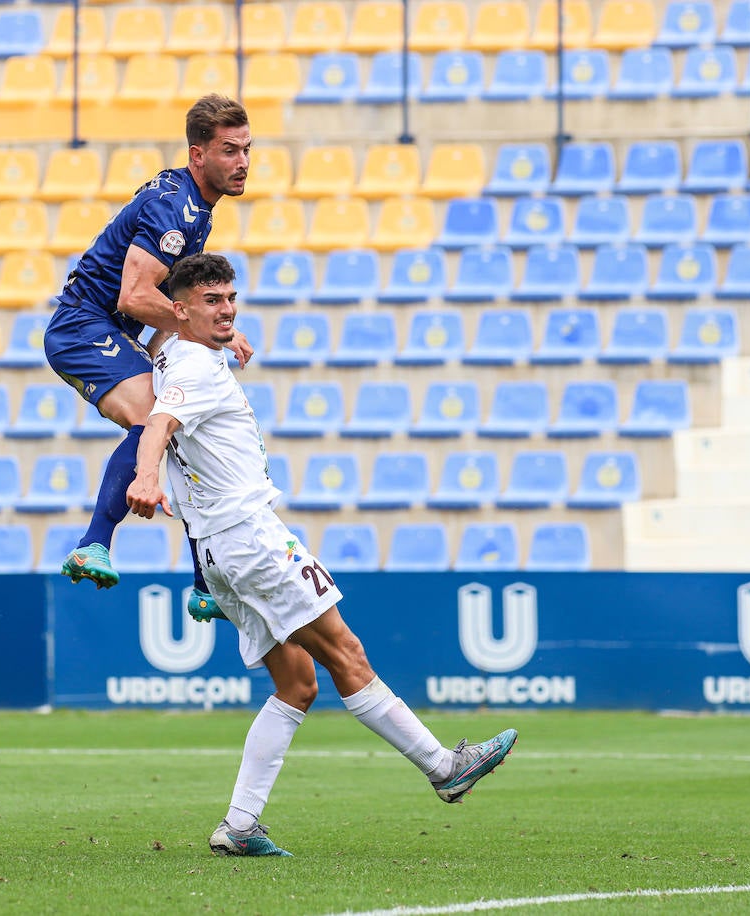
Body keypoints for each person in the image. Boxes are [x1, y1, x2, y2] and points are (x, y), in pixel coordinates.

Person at [126, 252, 518, 857]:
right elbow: (159, 426)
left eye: (230, 297)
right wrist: (147, 478)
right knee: (345, 653)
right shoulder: (196, 371)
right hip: (250, 538)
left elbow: (152, 354)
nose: (227, 309)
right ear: (180, 310)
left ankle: (239, 825)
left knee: (297, 683)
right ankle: (444, 767)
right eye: (211, 301)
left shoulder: (169, 354)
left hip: (217, 549)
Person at [44, 94, 254, 614]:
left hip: (117, 331)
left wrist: (193, 346)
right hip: (83, 326)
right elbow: (135, 297)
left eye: (248, 150)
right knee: (152, 417)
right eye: (230, 151)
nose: (243, 163)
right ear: (197, 154)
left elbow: (163, 309)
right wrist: (209, 332)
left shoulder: (194, 208)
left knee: (181, 425)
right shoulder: (175, 207)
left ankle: (206, 583)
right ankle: (94, 543)